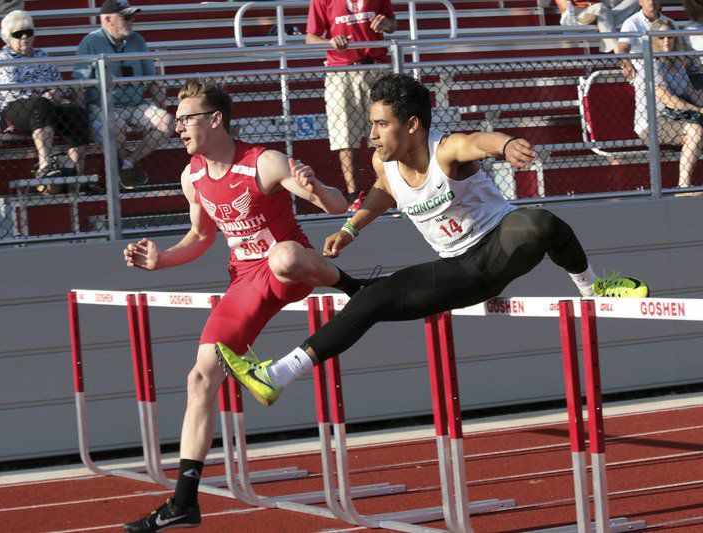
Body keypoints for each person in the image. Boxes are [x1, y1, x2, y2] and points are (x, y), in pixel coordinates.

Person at [216, 73, 650, 410]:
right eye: (371, 124)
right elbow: (384, 192)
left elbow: (478, 141)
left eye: (381, 124)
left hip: (498, 245)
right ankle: (279, 375)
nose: (372, 134)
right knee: (369, 300)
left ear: (413, 125)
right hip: (458, 270)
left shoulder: (446, 152)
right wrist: (352, 228)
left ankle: (593, 285)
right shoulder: (382, 161)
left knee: (539, 223)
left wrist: (508, 144)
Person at [120, 79, 373, 531]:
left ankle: (354, 288)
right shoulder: (192, 175)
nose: (177, 128)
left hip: (289, 268)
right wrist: (160, 261)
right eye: (175, 120)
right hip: (244, 280)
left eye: (185, 119)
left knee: (285, 254)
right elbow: (200, 238)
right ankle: (183, 501)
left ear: (214, 119)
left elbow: (336, 203)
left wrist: (314, 187)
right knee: (200, 378)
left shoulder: (265, 162)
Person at [306, 0, 397, 212]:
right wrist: (330, 42)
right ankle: (354, 196)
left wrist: (386, 23)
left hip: (375, 68)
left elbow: (393, 24)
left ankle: (389, 190)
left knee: (384, 134)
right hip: (341, 71)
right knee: (345, 136)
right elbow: (310, 38)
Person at [73, 0, 173, 190]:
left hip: (136, 105)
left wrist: (161, 107)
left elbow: (153, 80)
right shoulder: (91, 42)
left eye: (132, 16)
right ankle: (125, 166)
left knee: (166, 122)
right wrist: (81, 119)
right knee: (115, 126)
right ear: (109, 19)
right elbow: (79, 85)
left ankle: (127, 163)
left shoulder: (138, 40)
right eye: (126, 17)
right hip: (102, 105)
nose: (132, 20)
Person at [0, 10, 89, 193]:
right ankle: (45, 166)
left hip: (47, 107)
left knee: (76, 112)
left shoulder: (43, 55)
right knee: (41, 105)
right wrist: (43, 97)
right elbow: (11, 93)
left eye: (29, 32)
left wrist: (56, 95)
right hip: (16, 110)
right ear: (7, 38)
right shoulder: (3, 59)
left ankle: (75, 170)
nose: (25, 37)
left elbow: (58, 84)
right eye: (18, 34)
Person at [634, 18, 703, 192]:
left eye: (670, 37)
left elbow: (690, 91)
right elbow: (667, 99)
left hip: (677, 117)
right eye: (661, 38)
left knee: (695, 127)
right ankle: (683, 186)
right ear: (653, 41)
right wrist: (699, 110)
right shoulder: (650, 64)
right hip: (652, 122)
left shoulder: (677, 63)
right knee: (695, 130)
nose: (666, 41)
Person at [616, 0, 672, 80]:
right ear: (640, 1)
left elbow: (680, 47)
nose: (651, 1)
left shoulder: (670, 23)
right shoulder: (631, 23)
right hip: (642, 75)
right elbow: (623, 49)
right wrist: (626, 63)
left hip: (670, 73)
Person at [556, 0, 639, 52]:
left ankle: (603, 25)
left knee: (636, 1)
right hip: (576, 18)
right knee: (599, 8)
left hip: (601, 15)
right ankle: (617, 50)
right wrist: (595, 9)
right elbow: (569, 8)